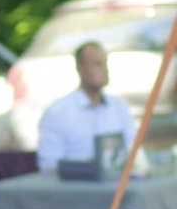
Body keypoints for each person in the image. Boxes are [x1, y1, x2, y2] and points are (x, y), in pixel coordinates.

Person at [36, 41, 137, 175]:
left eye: (105, 63)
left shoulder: (119, 107)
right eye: (97, 64)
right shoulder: (58, 112)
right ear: (80, 68)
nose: (105, 69)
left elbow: (133, 150)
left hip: (119, 187)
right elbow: (49, 165)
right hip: (77, 191)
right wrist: (84, 169)